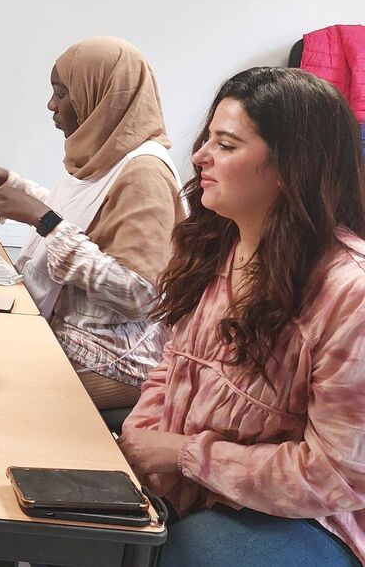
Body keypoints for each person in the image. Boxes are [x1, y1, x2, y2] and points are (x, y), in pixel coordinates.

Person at [118, 68, 365, 566]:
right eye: (207, 139)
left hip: (308, 517)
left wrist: (186, 454)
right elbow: (173, 363)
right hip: (199, 485)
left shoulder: (349, 293)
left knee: (200, 553)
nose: (199, 157)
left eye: (226, 146)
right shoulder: (220, 244)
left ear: (290, 167)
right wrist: (142, 439)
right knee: (78, 531)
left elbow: (336, 474)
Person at [0, 37, 184, 409]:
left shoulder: (144, 173)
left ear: (98, 95)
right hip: (70, 329)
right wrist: (7, 180)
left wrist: (42, 220)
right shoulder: (107, 150)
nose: (52, 105)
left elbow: (140, 293)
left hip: (111, 358)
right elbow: (83, 216)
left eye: (62, 93)